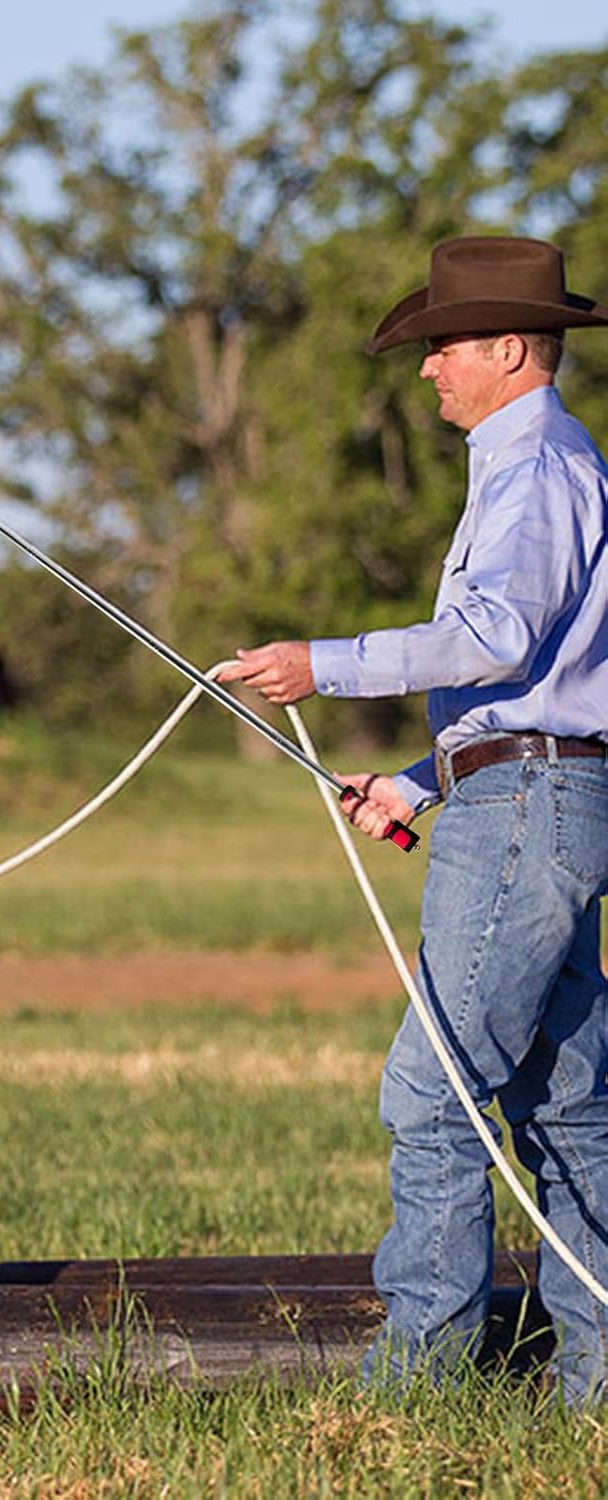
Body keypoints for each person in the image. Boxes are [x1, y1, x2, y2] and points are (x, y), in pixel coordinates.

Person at [222, 235, 608, 1403]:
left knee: (434, 1092)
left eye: (442, 346)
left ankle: (421, 1386)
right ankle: (594, 1382)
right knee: (572, 1101)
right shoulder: (542, 464)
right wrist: (420, 783)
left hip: (531, 808)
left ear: (506, 347)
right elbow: (543, 684)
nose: (429, 369)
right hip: (541, 793)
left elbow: (496, 639)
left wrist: (319, 665)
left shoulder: (534, 467)